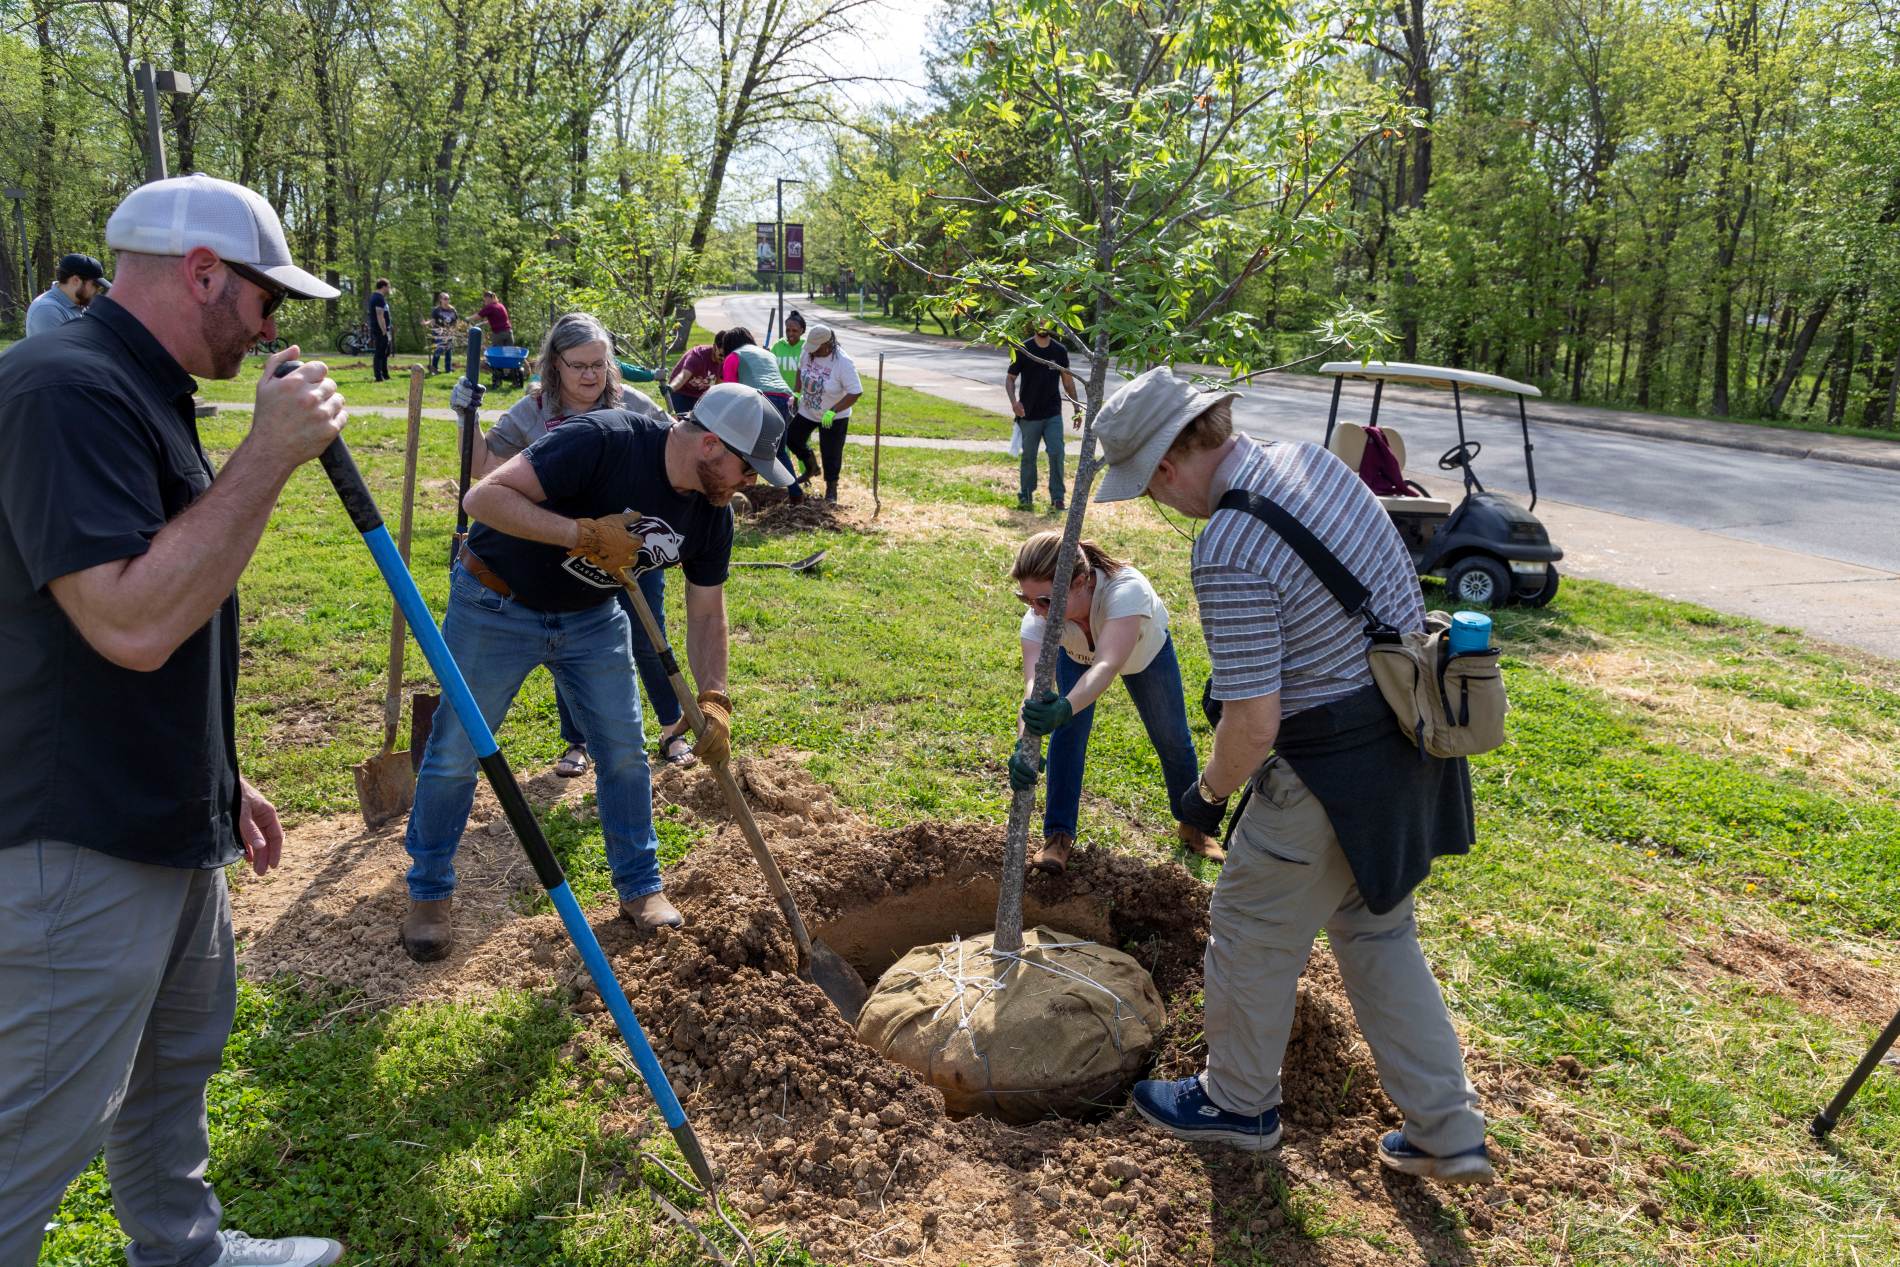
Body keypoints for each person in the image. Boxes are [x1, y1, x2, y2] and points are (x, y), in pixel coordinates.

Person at [0, 173, 349, 1267]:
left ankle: (182, 1251)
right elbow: (130, 621)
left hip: (164, 801)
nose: (269, 326)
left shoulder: (141, 386)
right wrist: (267, 458)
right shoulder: (63, 386)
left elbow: (169, 596)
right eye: (263, 299)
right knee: (38, 1123)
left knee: (176, 1059)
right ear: (202, 272)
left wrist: (218, 771)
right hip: (80, 832)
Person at [1091, 368, 1490, 1182]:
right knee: (1379, 934)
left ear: (1166, 467)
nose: (1164, 506)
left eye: (1151, 489)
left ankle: (1237, 1102)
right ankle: (1448, 1130)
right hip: (1403, 740)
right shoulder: (1314, 463)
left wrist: (1204, 795)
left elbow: (1253, 722)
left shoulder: (1229, 544)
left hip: (1321, 770)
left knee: (1246, 934)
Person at [400, 382, 795, 961]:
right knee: (457, 749)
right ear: (711, 444)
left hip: (591, 618)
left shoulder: (711, 515)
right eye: (748, 467)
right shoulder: (602, 440)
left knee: (624, 752)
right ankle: (429, 892)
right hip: (497, 604)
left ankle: (641, 888)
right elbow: (482, 499)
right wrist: (581, 534)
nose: (751, 483)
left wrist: (714, 698)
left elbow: (707, 611)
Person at [450, 312, 697, 776]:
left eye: (598, 365)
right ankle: (577, 742)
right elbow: (484, 466)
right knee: (569, 647)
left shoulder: (635, 405)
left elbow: (676, 456)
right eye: (579, 365)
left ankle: (671, 727)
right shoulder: (533, 413)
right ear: (555, 364)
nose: (590, 375)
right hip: (565, 552)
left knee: (649, 637)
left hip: (632, 548)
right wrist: (467, 416)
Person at [1008, 531, 1221, 872]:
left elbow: (1107, 664)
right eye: (1027, 600)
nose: (1036, 611)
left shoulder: (1125, 591)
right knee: (1068, 736)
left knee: (1172, 738)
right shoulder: (1039, 619)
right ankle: (1058, 836)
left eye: (1045, 601)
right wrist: (1023, 742)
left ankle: (1194, 826)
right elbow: (1033, 687)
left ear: (1080, 581)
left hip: (1142, 656)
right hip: (1077, 659)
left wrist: (1063, 707)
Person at [717, 326, 803, 503]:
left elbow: (730, 391)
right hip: (787, 401)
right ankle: (795, 493)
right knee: (778, 452)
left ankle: (740, 488)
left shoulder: (734, 357)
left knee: (745, 446)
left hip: (762, 400)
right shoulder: (767, 354)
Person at [1005, 328, 1079, 512]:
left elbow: (1068, 381)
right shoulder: (1023, 348)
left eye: (1047, 319)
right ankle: (1026, 496)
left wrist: (1077, 408)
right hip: (1028, 414)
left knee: (1056, 452)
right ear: (1034, 322)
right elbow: (1010, 379)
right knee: (1029, 457)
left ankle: (1058, 498)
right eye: (1039, 319)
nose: (1043, 323)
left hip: (1053, 413)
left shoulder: (1059, 351)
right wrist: (1014, 402)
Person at [789, 323, 863, 502]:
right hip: (809, 408)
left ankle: (831, 490)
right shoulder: (808, 351)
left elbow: (855, 391)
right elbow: (800, 370)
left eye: (816, 349)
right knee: (792, 438)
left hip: (834, 417)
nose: (811, 352)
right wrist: (797, 394)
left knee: (831, 452)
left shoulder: (842, 362)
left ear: (827, 344)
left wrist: (833, 411)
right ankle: (811, 466)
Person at [23, 252, 109, 336]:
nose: (98, 290)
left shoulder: (80, 306)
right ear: (76, 280)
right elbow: (56, 350)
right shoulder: (46, 310)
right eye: (95, 285)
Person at [667, 339, 721, 414]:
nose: (723, 359)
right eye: (721, 355)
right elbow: (683, 376)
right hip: (681, 391)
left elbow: (718, 385)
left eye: (726, 355)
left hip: (700, 395)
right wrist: (671, 388)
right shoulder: (698, 356)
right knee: (680, 420)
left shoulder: (726, 361)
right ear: (715, 347)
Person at [770, 309, 807, 394]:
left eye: (794, 331)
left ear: (801, 330)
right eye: (788, 330)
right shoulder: (777, 346)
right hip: (781, 395)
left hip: (801, 397)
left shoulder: (807, 347)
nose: (790, 333)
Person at [426, 291, 459, 374]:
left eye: (448, 299)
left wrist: (454, 331)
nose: (447, 300)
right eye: (445, 299)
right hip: (439, 333)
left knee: (448, 351)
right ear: (441, 300)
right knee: (439, 350)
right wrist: (426, 323)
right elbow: (433, 321)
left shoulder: (452, 310)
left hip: (449, 333)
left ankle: (448, 369)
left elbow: (456, 321)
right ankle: (434, 368)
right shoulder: (436, 310)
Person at [367, 277, 393, 381]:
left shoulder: (380, 297)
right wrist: (384, 331)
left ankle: (385, 375)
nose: (389, 289)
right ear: (384, 287)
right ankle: (378, 376)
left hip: (385, 329)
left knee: (385, 353)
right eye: (388, 287)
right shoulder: (378, 298)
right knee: (379, 353)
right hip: (380, 330)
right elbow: (380, 316)